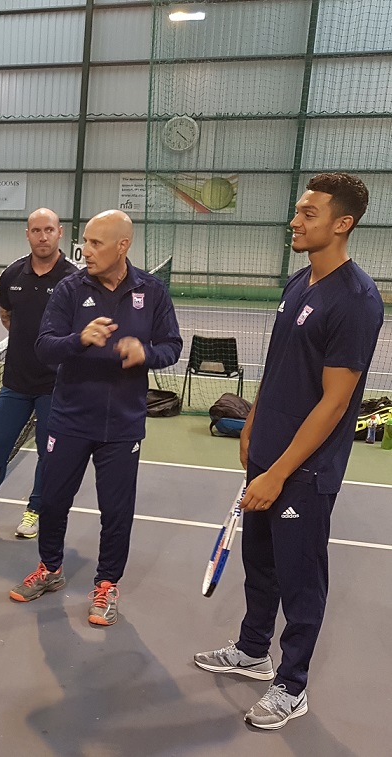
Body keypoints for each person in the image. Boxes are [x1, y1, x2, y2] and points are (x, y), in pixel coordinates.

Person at [194, 173, 382, 730]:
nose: (295, 221)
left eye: (308, 213)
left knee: (302, 581)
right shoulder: (300, 283)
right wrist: (251, 423)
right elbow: (279, 369)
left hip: (303, 471)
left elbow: (334, 402)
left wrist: (278, 472)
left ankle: (291, 685)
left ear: (342, 224)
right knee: (261, 566)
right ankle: (253, 651)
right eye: (298, 211)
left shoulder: (355, 301)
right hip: (268, 457)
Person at [8, 210, 182, 627]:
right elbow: (44, 346)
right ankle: (50, 569)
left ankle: (106, 585)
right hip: (69, 418)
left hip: (123, 425)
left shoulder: (152, 292)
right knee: (52, 502)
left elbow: (172, 345)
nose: (85, 250)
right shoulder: (69, 289)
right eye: (84, 241)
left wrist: (147, 353)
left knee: (116, 510)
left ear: (122, 246)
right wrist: (78, 340)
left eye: (95, 243)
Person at [0, 208, 78, 540]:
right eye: (36, 230)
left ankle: (35, 510)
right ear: (27, 234)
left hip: (56, 385)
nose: (43, 236)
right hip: (15, 383)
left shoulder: (75, 279)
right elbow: (7, 316)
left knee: (48, 453)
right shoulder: (12, 275)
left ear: (59, 232)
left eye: (49, 229)